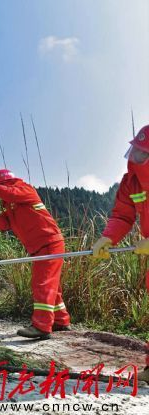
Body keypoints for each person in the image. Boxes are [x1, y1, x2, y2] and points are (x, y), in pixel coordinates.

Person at [0, 170, 70, 339]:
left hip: (49, 243)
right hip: (40, 246)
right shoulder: (9, 204)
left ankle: (42, 326)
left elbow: (11, 193)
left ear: (4, 184)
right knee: (52, 286)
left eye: (0, 187)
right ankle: (60, 320)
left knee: (42, 283)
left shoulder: (23, 189)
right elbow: (6, 223)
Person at [91, 124, 149, 383]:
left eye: (141, 153)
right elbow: (122, 215)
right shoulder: (131, 181)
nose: (133, 156)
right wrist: (108, 237)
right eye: (134, 150)